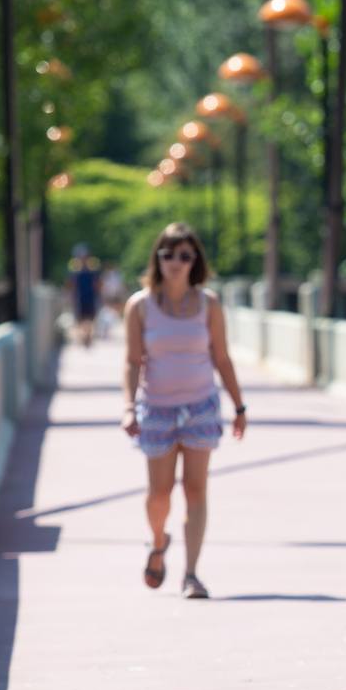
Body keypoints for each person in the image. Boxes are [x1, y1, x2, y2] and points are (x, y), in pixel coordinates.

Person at [121, 223, 247, 599]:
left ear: (196, 262)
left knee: (196, 490)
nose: (176, 262)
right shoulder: (139, 306)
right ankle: (159, 543)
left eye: (185, 255)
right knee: (159, 494)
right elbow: (131, 361)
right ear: (157, 259)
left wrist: (239, 406)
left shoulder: (208, 304)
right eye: (168, 254)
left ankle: (191, 574)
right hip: (156, 409)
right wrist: (129, 407)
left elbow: (221, 358)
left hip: (200, 406)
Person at [66, 244, 101, 348]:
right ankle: (84, 336)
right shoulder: (74, 270)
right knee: (80, 318)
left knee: (90, 318)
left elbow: (97, 283)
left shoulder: (93, 268)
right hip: (79, 297)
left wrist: (99, 295)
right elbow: (71, 284)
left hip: (90, 296)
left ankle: (87, 335)